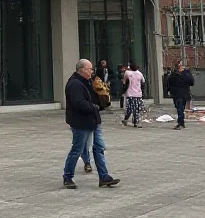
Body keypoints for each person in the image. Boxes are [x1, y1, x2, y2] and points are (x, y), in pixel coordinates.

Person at [62, 59, 120, 190]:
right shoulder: (75, 84)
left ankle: (104, 177)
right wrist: (95, 107)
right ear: (82, 70)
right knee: (77, 149)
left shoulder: (89, 82)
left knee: (99, 148)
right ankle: (68, 176)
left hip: (94, 120)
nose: (92, 71)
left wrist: (103, 99)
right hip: (81, 122)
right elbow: (79, 103)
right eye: (90, 69)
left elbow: (94, 97)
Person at [167, 61, 194, 130]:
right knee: (179, 108)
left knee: (180, 109)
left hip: (183, 93)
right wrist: (169, 91)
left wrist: (184, 73)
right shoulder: (173, 74)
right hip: (176, 94)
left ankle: (180, 123)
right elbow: (169, 83)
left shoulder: (186, 74)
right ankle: (181, 122)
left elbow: (191, 82)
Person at [121, 62, 145, 127]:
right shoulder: (140, 74)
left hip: (130, 93)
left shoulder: (127, 73)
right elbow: (143, 83)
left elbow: (124, 83)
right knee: (136, 108)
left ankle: (126, 119)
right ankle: (135, 122)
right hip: (138, 94)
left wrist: (123, 91)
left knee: (129, 108)